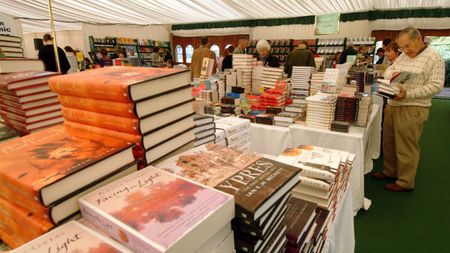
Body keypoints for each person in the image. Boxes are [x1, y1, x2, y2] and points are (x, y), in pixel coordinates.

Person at [372, 27, 445, 192]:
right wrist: (392, 75)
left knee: (406, 145)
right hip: (393, 103)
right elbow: (390, 69)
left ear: (419, 39)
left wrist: (408, 94)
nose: (405, 50)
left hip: (413, 106)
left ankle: (405, 181)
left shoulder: (434, 57)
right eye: (402, 47)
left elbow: (436, 86)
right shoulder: (404, 55)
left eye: (408, 46)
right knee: (388, 141)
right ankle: (390, 171)